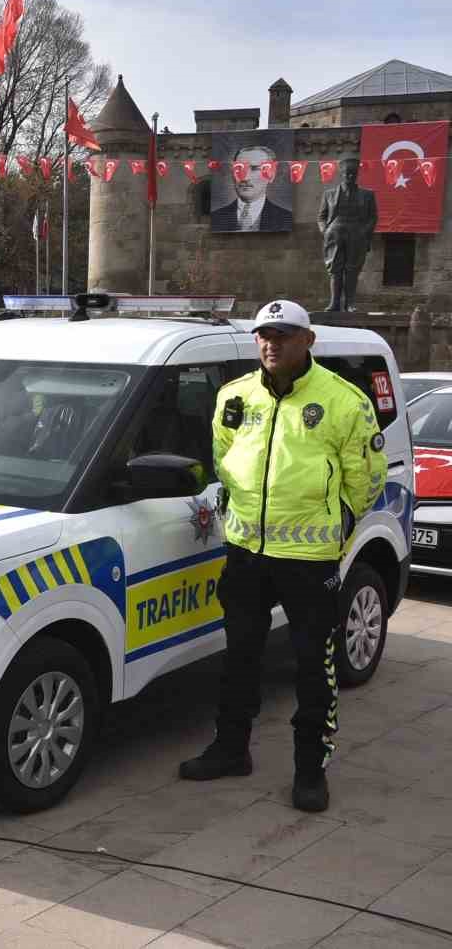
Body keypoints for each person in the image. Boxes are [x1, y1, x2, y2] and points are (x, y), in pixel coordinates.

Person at [180, 299, 385, 812]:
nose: (272, 343)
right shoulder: (235, 395)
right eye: (265, 335)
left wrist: (340, 519)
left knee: (315, 667)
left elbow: (367, 475)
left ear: (307, 341)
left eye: (285, 335)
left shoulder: (343, 401)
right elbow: (224, 458)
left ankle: (310, 770)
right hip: (246, 552)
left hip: (309, 558)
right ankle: (231, 750)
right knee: (239, 658)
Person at [318, 155, 378, 313]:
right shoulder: (329, 194)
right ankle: (334, 303)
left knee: (352, 270)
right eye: (347, 174)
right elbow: (321, 217)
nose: (350, 177)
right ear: (342, 174)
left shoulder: (367, 195)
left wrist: (364, 232)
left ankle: (350, 304)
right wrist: (325, 231)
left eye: (353, 174)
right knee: (335, 269)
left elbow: (373, 217)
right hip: (335, 232)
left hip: (357, 233)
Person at [211, 144, 293, 232]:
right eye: (239, 169)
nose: (245, 178)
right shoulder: (215, 217)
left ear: (271, 175)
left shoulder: (286, 218)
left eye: (254, 169)